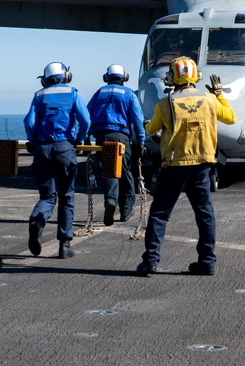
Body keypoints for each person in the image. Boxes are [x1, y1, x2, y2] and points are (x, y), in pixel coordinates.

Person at [137, 56, 235, 277]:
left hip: (174, 166)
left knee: (160, 214)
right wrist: (219, 94)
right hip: (202, 166)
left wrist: (149, 125)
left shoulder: (166, 103)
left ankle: (151, 260)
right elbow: (230, 117)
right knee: (205, 214)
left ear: (174, 77)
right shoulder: (210, 100)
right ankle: (207, 261)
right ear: (196, 76)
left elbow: (150, 130)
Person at [24, 61, 91, 259]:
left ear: (45, 79)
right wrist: (78, 140)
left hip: (42, 150)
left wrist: (33, 141)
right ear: (65, 76)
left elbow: (29, 122)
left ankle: (38, 221)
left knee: (47, 196)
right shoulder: (72, 93)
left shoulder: (38, 96)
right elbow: (85, 120)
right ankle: (65, 245)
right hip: (64, 148)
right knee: (67, 196)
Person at [86, 64, 146, 225]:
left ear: (107, 77)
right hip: (121, 137)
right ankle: (126, 209)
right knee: (125, 171)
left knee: (108, 171)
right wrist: (141, 141)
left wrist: (85, 137)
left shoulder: (99, 93)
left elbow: (86, 116)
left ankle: (110, 201)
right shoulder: (129, 94)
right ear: (124, 77)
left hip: (101, 137)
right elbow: (138, 121)